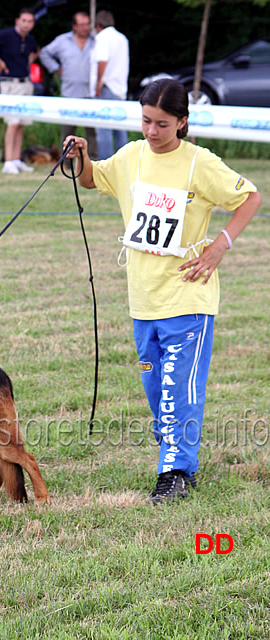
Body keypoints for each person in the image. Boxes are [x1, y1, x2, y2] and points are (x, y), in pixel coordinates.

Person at [64, 78, 262, 504]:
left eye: (162, 124)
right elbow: (92, 179)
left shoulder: (199, 164)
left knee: (178, 389)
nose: (152, 132)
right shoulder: (132, 155)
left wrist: (218, 246)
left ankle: (176, 473)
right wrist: (80, 155)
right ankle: (174, 444)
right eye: (146, 121)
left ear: (182, 122)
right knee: (157, 390)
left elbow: (250, 198)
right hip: (144, 298)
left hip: (189, 296)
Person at [0, 9, 39, 175]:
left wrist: (29, 61)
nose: (27, 24)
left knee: (20, 124)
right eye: (24, 20)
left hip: (25, 83)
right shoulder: (6, 35)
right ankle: (8, 161)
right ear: (17, 20)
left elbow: (36, 50)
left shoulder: (29, 40)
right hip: (10, 84)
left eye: (30, 21)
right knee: (12, 123)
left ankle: (17, 159)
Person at [39, 12, 97, 160]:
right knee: (68, 131)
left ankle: (93, 163)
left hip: (91, 93)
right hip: (69, 93)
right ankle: (66, 163)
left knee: (92, 132)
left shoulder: (96, 40)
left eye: (87, 24)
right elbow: (44, 53)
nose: (86, 28)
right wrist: (56, 68)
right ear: (74, 26)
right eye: (82, 25)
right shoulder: (63, 41)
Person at [91, 10, 129, 160]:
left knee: (104, 130)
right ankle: (123, 163)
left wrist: (99, 82)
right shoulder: (122, 38)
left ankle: (106, 165)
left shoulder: (102, 38)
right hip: (120, 88)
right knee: (120, 129)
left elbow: (102, 60)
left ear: (98, 26)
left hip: (106, 88)